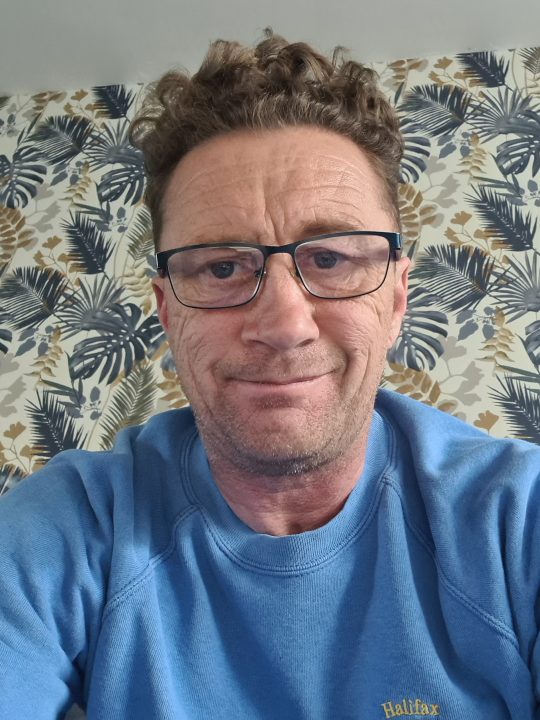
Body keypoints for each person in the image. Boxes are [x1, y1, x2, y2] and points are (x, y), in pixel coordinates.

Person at [1, 30, 539, 720]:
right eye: (223, 267)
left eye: (331, 259)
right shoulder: (69, 527)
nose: (284, 324)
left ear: (397, 299)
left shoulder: (516, 520)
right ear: (167, 310)